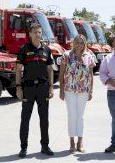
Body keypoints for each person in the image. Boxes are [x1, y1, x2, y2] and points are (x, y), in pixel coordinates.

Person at [16, 23, 54, 158]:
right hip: (28, 88)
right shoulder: (24, 49)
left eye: (39, 32)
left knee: (44, 118)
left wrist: (51, 86)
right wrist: (18, 87)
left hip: (43, 88)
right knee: (25, 118)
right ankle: (23, 147)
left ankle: (45, 146)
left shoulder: (46, 50)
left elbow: (49, 69)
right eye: (35, 32)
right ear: (30, 34)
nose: (38, 34)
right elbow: (18, 69)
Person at [59, 34, 95, 153]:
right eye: (77, 42)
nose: (79, 45)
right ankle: (71, 141)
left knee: (80, 116)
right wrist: (61, 90)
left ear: (84, 44)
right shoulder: (67, 55)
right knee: (72, 115)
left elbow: (90, 75)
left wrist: (91, 90)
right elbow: (61, 73)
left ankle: (80, 141)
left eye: (82, 43)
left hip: (83, 90)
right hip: (69, 90)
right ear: (73, 43)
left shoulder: (89, 56)